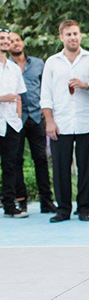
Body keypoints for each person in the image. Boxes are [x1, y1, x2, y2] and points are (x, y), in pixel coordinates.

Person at [41, 20, 89, 222]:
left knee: (87, 167)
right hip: (61, 121)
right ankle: (63, 209)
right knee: (60, 168)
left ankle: (84, 208)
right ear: (61, 37)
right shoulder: (52, 62)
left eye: (75, 33)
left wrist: (86, 85)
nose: (72, 37)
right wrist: (49, 121)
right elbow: (45, 94)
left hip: (88, 120)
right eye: (68, 34)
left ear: (80, 35)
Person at [8, 32, 57, 213]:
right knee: (16, 160)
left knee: (41, 159)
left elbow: (47, 87)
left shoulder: (38, 64)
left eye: (18, 40)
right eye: (11, 41)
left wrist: (47, 110)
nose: (15, 43)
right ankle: (21, 200)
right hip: (16, 119)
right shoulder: (6, 66)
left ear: (22, 42)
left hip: (37, 117)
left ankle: (46, 201)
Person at [0, 27, 29, 218]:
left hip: (11, 123)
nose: (5, 41)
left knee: (10, 166)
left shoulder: (14, 69)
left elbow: (19, 95)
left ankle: (9, 206)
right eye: (1, 38)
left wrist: (18, 116)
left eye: (7, 39)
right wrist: (2, 98)